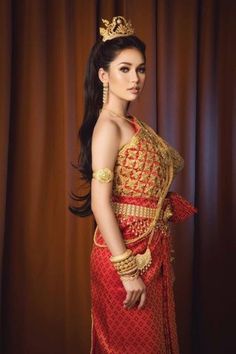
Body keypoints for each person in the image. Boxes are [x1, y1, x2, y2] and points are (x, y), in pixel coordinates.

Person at [69, 16, 197, 354]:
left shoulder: (132, 123)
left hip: (150, 251)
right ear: (103, 74)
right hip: (124, 255)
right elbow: (100, 203)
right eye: (124, 69)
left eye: (140, 69)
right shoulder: (108, 126)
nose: (136, 78)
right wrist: (126, 268)